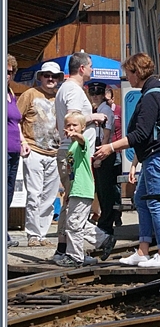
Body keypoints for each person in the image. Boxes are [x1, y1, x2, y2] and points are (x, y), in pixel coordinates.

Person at [95, 53, 160, 269]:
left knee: (155, 202)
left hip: (157, 157)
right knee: (141, 199)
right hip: (156, 155)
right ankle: (143, 250)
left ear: (136, 72)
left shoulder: (151, 96)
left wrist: (111, 147)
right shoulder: (159, 90)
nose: (127, 78)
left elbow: (141, 134)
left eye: (128, 74)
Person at [54, 53, 108, 261]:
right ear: (82, 68)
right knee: (74, 203)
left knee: (70, 202)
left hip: (71, 151)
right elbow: (73, 119)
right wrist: (95, 116)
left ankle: (64, 248)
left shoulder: (65, 88)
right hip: (74, 152)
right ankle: (96, 240)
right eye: (91, 66)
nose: (92, 70)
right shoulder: (74, 91)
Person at [17, 62, 63, 246]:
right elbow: (15, 119)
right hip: (33, 149)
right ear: (40, 77)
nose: (50, 79)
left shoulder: (61, 96)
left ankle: (42, 234)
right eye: (46, 75)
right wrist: (22, 141)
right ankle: (33, 234)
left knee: (50, 197)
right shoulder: (30, 94)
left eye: (54, 76)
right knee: (34, 194)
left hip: (55, 152)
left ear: (59, 78)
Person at [58, 111, 99, 267]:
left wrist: (76, 135)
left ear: (82, 127)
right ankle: (103, 239)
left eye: (75, 125)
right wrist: (68, 190)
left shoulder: (81, 143)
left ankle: (75, 257)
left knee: (74, 224)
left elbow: (82, 140)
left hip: (83, 188)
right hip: (75, 188)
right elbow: (71, 171)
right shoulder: (71, 147)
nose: (71, 128)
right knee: (75, 223)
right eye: (68, 125)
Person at [86, 80, 120, 259]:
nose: (95, 96)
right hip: (100, 149)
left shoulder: (105, 110)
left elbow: (106, 135)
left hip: (103, 149)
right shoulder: (97, 110)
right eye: (92, 93)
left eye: (98, 93)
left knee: (105, 190)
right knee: (102, 189)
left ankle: (107, 224)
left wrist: (100, 156)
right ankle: (107, 221)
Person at [7, 54, 28, 247]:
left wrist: (23, 141)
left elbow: (17, 122)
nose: (8, 75)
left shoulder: (11, 93)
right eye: (5, 71)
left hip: (14, 150)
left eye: (10, 72)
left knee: (9, 191)